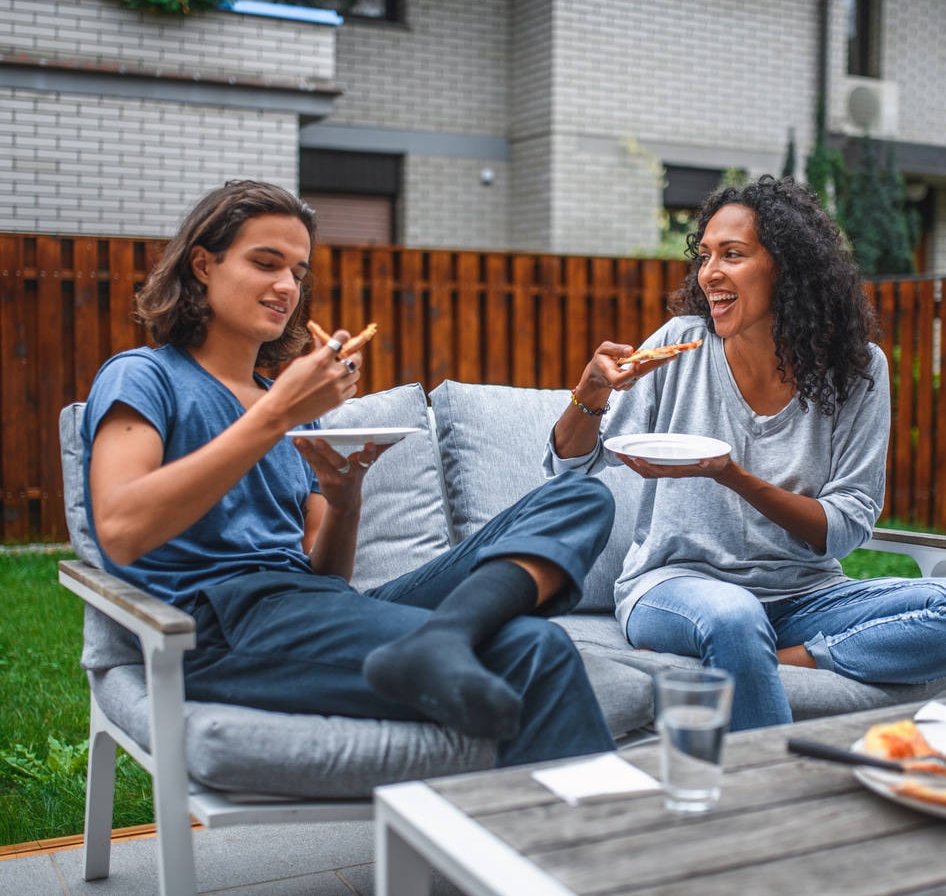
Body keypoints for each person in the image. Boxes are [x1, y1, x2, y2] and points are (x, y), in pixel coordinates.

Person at [81, 179, 619, 768]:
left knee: (579, 496)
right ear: (203, 264)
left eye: (297, 272)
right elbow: (122, 527)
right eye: (266, 263)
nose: (286, 286)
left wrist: (344, 499)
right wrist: (276, 415)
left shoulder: (280, 399)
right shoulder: (144, 377)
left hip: (309, 602)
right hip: (223, 627)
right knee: (532, 646)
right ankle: (583, 850)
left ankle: (444, 638)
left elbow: (327, 576)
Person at [546, 174, 946, 731]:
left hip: (807, 595)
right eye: (705, 255)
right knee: (734, 617)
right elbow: (573, 464)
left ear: (787, 268)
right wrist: (589, 394)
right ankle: (770, 790)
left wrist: (731, 474)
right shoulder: (678, 347)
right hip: (674, 586)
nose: (710, 273)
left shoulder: (857, 370)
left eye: (732, 255)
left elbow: (845, 527)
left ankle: (785, 661)